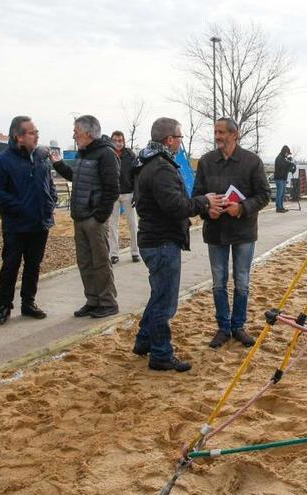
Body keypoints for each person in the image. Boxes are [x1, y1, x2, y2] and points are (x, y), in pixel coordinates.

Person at [133, 117, 223, 372]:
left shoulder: (149, 161)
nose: (181, 142)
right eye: (180, 137)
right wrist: (204, 201)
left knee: (158, 295)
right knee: (165, 302)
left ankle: (143, 341)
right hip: (162, 241)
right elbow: (176, 206)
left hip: (155, 239)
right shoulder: (160, 168)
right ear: (169, 140)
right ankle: (161, 354)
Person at [194, 118, 270, 348]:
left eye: (222, 132)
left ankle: (238, 326)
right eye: (215, 131)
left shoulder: (252, 161)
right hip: (215, 231)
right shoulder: (206, 162)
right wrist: (208, 210)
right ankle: (223, 327)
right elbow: (196, 195)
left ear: (235, 134)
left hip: (243, 231)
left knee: (242, 282)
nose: (217, 136)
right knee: (218, 282)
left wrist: (241, 208)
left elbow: (264, 195)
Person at [0, 116, 57, 325]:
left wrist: (50, 203)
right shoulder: (1, 162)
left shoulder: (41, 159)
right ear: (18, 136)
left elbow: (49, 184)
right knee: (10, 266)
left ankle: (29, 303)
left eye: (36, 132)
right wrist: (20, 208)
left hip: (40, 223)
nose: (37, 135)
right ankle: (4, 306)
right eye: (32, 132)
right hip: (16, 225)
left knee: (33, 265)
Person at [49, 115, 120, 319]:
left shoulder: (106, 154)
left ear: (88, 133)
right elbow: (76, 177)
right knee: (85, 262)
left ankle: (108, 302)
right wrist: (58, 164)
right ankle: (93, 300)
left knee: (100, 262)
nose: (74, 135)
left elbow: (112, 189)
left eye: (76, 131)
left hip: (94, 219)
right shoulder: (83, 154)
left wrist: (99, 217)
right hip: (79, 217)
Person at [107, 131, 140, 264]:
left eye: (120, 140)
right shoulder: (107, 155)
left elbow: (137, 175)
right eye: (115, 140)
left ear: (124, 141)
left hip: (128, 193)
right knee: (112, 225)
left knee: (133, 224)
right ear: (111, 141)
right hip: (113, 195)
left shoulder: (130, 155)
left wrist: (136, 193)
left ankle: (135, 252)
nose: (118, 143)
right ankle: (114, 253)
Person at [273, 145, 294, 213]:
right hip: (279, 178)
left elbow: (286, 167)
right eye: (287, 153)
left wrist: (291, 166)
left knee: (282, 193)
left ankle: (281, 206)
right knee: (280, 193)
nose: (287, 154)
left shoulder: (284, 158)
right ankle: (278, 207)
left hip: (283, 178)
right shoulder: (279, 158)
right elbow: (282, 166)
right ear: (285, 152)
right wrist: (288, 163)